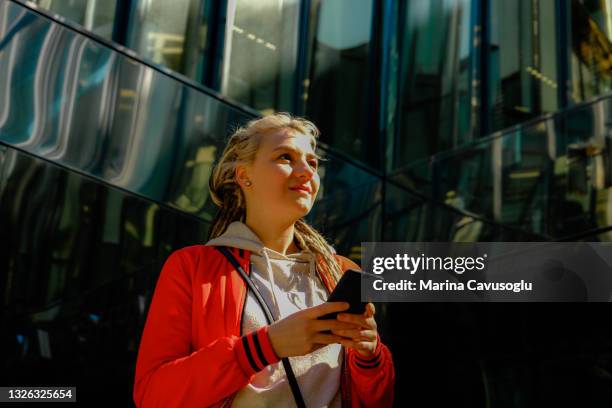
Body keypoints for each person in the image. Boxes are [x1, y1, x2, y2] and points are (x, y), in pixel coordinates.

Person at [133, 113, 395, 407]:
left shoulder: (342, 271)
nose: (306, 171)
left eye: (312, 162)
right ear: (244, 176)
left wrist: (369, 356)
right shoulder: (193, 266)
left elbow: (377, 400)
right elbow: (153, 395)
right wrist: (266, 346)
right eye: (286, 157)